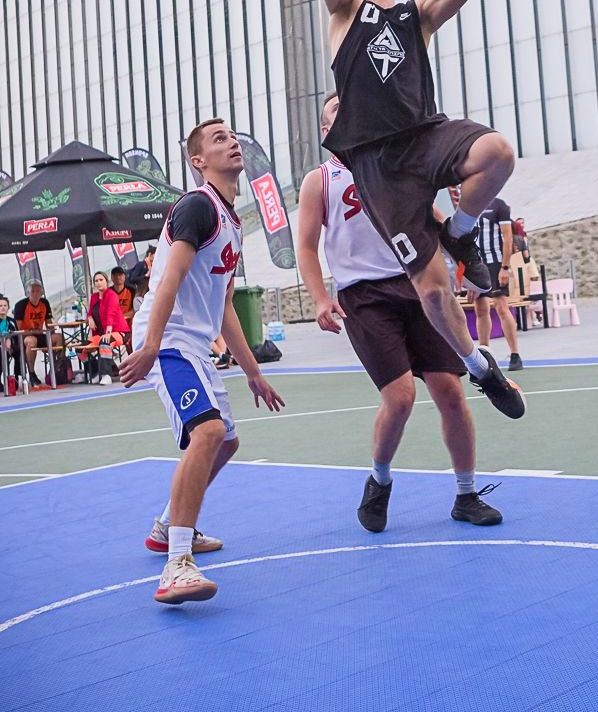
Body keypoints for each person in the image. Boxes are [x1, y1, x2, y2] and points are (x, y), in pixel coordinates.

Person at [319, 0, 539, 420]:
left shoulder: (416, 15)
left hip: (424, 135)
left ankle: (459, 231)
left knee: (498, 153)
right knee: (434, 290)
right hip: (377, 163)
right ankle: (480, 367)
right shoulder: (344, 13)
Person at [297, 93, 503, 532]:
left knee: (450, 391)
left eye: (350, 105)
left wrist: (464, 263)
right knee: (401, 397)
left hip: (417, 283)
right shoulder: (320, 180)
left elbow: (433, 218)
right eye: (334, 110)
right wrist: (319, 298)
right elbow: (306, 247)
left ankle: (466, 493)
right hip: (364, 296)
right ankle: (379, 481)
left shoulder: (393, 165)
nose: (346, 111)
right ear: (326, 130)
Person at [120, 119, 285, 606]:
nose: (232, 142)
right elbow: (169, 279)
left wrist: (253, 371)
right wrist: (151, 346)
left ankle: (167, 526)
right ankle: (176, 564)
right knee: (208, 433)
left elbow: (224, 304)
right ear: (198, 161)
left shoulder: (231, 221)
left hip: (192, 341)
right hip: (168, 337)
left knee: (226, 442)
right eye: (219, 139)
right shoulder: (197, 206)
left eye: (232, 136)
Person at [474, 196, 522, 372]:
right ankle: (485, 356)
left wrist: (505, 267)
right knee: (480, 309)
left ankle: (515, 354)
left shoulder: (498, 205)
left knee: (502, 307)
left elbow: (507, 237)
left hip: (495, 263)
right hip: (476, 264)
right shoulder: (469, 203)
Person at [83, 271, 130, 385]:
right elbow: (90, 312)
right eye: (96, 281)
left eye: (101, 280)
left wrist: (108, 333)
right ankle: (95, 373)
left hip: (119, 332)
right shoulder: (94, 297)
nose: (99, 283)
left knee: (105, 341)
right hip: (100, 334)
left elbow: (111, 314)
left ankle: (106, 375)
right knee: (81, 348)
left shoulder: (111, 295)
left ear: (106, 281)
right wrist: (90, 318)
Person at [13, 282, 61, 388]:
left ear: (42, 293)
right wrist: (35, 331)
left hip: (40, 334)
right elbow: (19, 329)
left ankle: (58, 368)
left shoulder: (44, 303)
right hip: (24, 337)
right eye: (32, 291)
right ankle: (32, 373)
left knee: (59, 337)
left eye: (38, 291)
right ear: (27, 293)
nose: (35, 294)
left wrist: (52, 330)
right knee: (31, 340)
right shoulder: (21, 305)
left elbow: (49, 324)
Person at [0, 295, 22, 383]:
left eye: (5, 305)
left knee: (20, 350)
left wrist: (11, 344)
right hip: (1, 346)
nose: (3, 308)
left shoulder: (12, 321)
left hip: (11, 346)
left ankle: (17, 376)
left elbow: (16, 335)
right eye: (0, 306)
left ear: (8, 308)